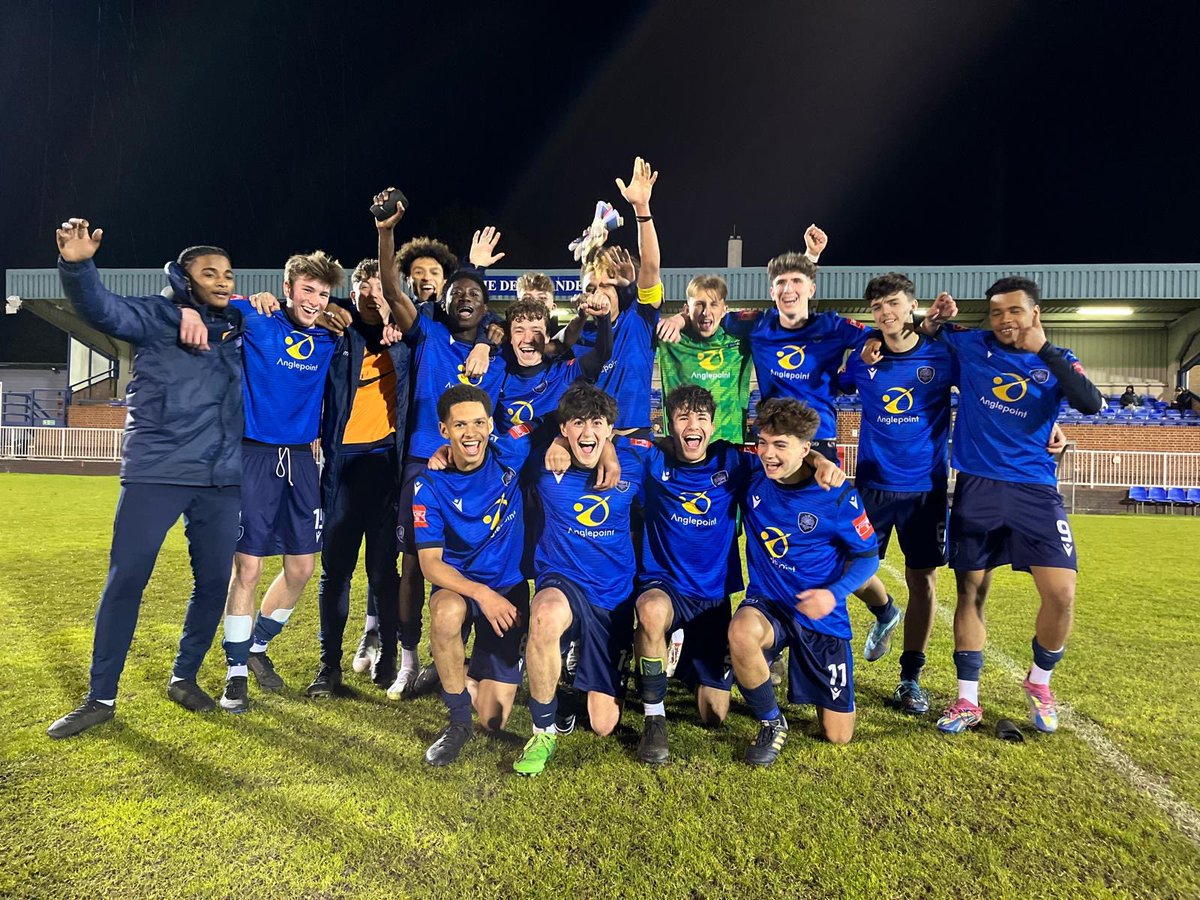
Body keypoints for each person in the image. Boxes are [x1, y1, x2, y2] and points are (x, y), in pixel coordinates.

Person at [48, 219, 245, 738]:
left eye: (228, 274)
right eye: (210, 274)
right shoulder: (159, 315)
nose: (223, 282)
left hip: (221, 478)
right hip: (157, 471)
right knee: (127, 580)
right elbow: (101, 308)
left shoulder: (238, 326)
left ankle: (184, 677)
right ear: (185, 279)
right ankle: (100, 697)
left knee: (212, 585)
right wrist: (77, 265)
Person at [922, 277, 1103, 735]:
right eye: (997, 312)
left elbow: (1091, 403)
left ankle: (1039, 682)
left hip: (1036, 492)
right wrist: (936, 317)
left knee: (1061, 594)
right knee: (971, 593)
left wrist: (1045, 351)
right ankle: (967, 700)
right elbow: (920, 329)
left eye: (1015, 311)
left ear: (1035, 313)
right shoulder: (972, 346)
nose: (1005, 320)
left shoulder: (1058, 359)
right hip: (977, 488)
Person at [631, 385, 845, 764]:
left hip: (713, 599)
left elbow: (785, 453)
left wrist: (820, 460)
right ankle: (654, 719)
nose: (691, 425)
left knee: (714, 716)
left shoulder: (733, 461)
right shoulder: (651, 458)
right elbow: (605, 446)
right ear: (669, 423)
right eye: (682, 417)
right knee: (649, 610)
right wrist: (561, 448)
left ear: (713, 426)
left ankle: (703, 662)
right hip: (665, 585)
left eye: (700, 418)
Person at [376, 192, 504, 699]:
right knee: (413, 564)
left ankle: (478, 657)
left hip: (482, 473)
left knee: (481, 560)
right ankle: (409, 660)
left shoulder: (499, 351)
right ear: (443, 301)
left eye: (474, 294)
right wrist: (386, 232)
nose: (464, 300)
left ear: (485, 306)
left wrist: (490, 340)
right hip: (424, 467)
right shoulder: (427, 332)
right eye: (456, 294)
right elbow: (390, 284)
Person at [217, 252, 344, 712]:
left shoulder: (332, 335)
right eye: (307, 290)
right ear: (288, 288)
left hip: (304, 459)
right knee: (247, 569)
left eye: (323, 294)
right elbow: (203, 294)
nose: (314, 301)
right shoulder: (258, 314)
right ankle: (234, 675)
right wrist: (249, 297)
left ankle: (256, 648)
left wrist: (340, 310)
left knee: (301, 569)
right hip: (254, 454)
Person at [728, 398, 880, 765]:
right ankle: (771, 721)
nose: (768, 454)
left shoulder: (838, 495)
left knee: (838, 735)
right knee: (741, 633)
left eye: (780, 445)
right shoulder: (752, 476)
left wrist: (834, 593)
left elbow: (867, 556)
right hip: (770, 603)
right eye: (763, 443)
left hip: (820, 615)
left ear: (805, 447)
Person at [513, 383, 643, 776]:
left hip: (613, 593)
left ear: (610, 430)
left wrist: (816, 463)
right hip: (562, 577)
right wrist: (553, 438)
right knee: (545, 616)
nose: (587, 434)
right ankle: (542, 731)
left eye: (597, 425)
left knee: (603, 725)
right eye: (577, 424)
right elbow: (504, 436)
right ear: (565, 428)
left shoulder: (636, 464)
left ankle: (569, 681)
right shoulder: (542, 462)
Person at [841, 274, 954, 714]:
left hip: (925, 489)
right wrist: (869, 340)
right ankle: (886, 611)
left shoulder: (942, 356)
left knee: (923, 580)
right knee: (845, 563)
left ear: (913, 306)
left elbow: (988, 381)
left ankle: (910, 677)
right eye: (878, 308)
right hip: (872, 484)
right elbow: (842, 379)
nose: (886, 313)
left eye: (893, 304)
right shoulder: (864, 356)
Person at [413, 385, 538, 765]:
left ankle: (454, 669)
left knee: (494, 718)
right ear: (443, 429)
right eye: (460, 425)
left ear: (490, 425)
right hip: (463, 587)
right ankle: (456, 723)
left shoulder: (511, 452)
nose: (471, 433)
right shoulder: (428, 484)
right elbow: (431, 564)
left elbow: (549, 424)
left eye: (479, 423)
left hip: (509, 587)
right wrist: (481, 593)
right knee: (447, 613)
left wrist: (563, 447)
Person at [305, 258, 411, 698]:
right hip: (343, 467)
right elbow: (297, 320)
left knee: (384, 572)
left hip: (387, 467)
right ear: (352, 296)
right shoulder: (335, 336)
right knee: (335, 574)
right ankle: (328, 666)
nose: (372, 299)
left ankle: (387, 654)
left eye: (380, 292)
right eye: (364, 292)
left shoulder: (408, 340)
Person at [568, 157, 664, 435]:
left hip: (635, 439)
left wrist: (641, 208)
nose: (598, 292)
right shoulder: (576, 335)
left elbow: (651, 266)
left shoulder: (639, 318)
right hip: (590, 441)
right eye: (590, 286)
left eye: (607, 284)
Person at [656, 274, 753, 444]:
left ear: (724, 309)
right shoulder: (670, 338)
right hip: (683, 448)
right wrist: (679, 319)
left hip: (728, 448)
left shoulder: (741, 341)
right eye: (699, 304)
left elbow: (781, 318)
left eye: (713, 304)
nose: (706, 312)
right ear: (687, 309)